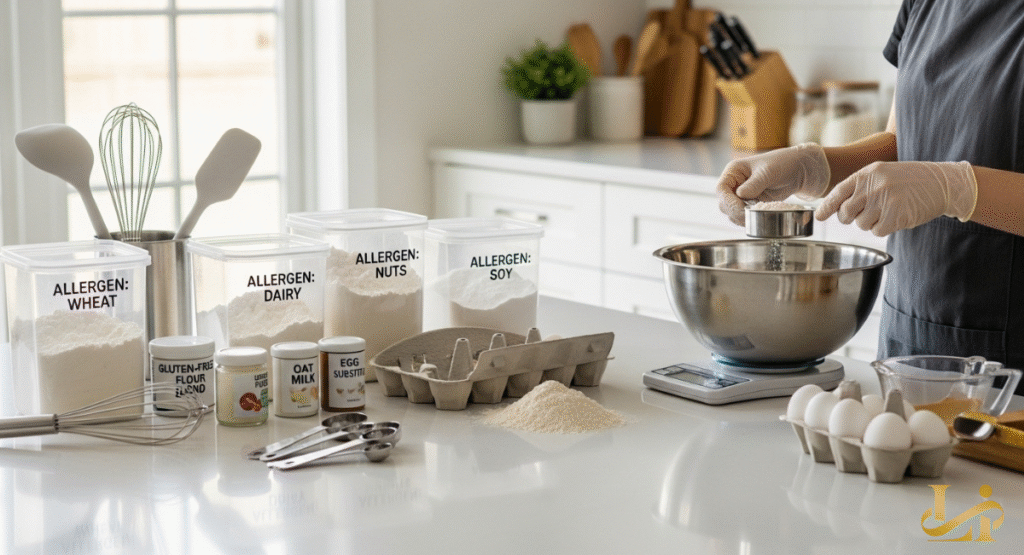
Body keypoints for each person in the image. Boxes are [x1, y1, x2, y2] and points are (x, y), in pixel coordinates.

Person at [715, 0, 1024, 393]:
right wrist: (813, 166)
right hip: (911, 333)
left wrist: (955, 188)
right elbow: (902, 141)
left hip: (1011, 356)